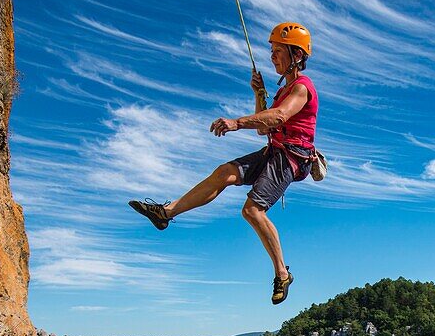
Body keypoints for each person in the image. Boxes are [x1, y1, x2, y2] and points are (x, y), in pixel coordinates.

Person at [129, 22, 319, 305]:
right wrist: (258, 95)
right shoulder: (283, 91)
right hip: (274, 149)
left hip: (291, 158)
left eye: (278, 51)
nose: (271, 56)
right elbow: (263, 129)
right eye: (271, 50)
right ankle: (165, 214)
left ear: (297, 56)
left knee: (252, 210)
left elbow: (278, 117)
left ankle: (282, 273)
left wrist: (235, 122)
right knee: (224, 173)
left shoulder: (302, 88)